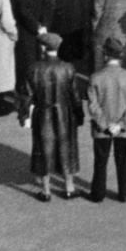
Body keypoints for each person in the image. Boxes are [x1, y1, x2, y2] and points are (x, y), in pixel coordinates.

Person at [28, 32, 82, 201]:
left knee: (43, 149)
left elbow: (26, 95)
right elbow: (75, 96)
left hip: (42, 113)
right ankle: (69, 187)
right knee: (67, 148)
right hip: (64, 113)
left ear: (43, 48)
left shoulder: (34, 68)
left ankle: (45, 190)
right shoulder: (68, 68)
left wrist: (24, 114)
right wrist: (79, 114)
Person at [87, 36, 126, 203]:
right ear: (120, 56)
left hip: (101, 129)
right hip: (124, 129)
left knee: (100, 162)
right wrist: (121, 124)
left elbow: (92, 106)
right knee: (123, 161)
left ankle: (97, 194)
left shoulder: (95, 78)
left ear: (105, 55)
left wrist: (105, 124)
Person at [4, 0, 52, 123]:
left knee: (24, 69)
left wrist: (36, 27)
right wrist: (43, 26)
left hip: (25, 34)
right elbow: (48, 5)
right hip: (40, 31)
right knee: (38, 66)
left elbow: (23, 11)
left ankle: (25, 109)